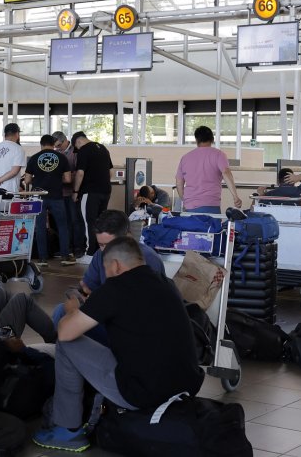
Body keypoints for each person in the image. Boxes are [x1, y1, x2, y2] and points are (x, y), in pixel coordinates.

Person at [33, 236, 204, 452]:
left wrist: (72, 310)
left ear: (115, 265)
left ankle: (68, 430)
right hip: (186, 386)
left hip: (143, 393)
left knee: (67, 344)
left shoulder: (116, 288)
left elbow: (66, 332)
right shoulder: (166, 283)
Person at [51, 210, 166, 344]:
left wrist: (87, 304)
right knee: (61, 311)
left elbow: (141, 311)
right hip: (109, 317)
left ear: (127, 237)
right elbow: (84, 288)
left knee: (66, 322)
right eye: (101, 245)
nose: (106, 251)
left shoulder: (149, 260)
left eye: (110, 244)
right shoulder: (100, 256)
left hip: (131, 330)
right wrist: (79, 295)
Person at [25, 134, 75, 266]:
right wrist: (57, 180)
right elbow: (68, 179)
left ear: (41, 144)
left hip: (38, 196)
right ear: (53, 144)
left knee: (40, 227)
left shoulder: (33, 158)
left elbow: (27, 180)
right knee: (62, 226)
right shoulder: (62, 157)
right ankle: (65, 256)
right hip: (56, 196)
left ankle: (42, 259)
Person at [175, 126, 242, 214]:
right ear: (212, 139)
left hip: (190, 207)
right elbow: (226, 173)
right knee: (212, 227)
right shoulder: (219, 155)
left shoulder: (185, 158)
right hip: (210, 204)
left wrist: (185, 200)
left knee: (191, 228)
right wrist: (235, 196)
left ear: (196, 140)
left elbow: (179, 182)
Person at [71, 132, 114, 260]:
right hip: (105, 191)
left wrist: (75, 191)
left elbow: (80, 173)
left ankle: (90, 253)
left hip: (90, 192)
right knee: (100, 222)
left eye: (76, 147)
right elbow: (110, 171)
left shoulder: (84, 151)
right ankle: (101, 251)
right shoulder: (103, 148)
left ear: (78, 142)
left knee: (88, 221)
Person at [52, 131, 85, 257]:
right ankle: (66, 247)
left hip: (72, 193)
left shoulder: (75, 152)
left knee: (75, 220)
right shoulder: (56, 154)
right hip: (60, 193)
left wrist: (65, 177)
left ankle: (78, 248)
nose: (58, 148)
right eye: (56, 146)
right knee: (64, 221)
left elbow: (78, 172)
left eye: (59, 145)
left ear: (65, 140)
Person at [0, 123, 26, 197]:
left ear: (5, 134)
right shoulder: (18, 149)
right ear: (17, 134)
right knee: (8, 209)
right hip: (10, 193)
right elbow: (14, 172)